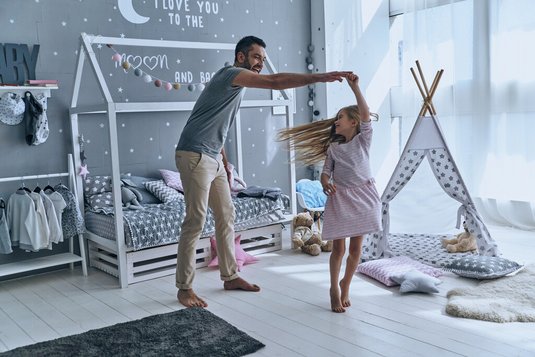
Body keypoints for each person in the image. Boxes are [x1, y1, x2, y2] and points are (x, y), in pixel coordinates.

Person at [174, 35, 352, 308]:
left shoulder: (236, 83)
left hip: (212, 155)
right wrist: (320, 77)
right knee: (196, 220)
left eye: (263, 58)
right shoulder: (231, 74)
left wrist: (223, 158)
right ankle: (184, 288)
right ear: (241, 56)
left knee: (226, 215)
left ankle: (230, 276)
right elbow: (274, 81)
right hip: (194, 154)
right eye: (256, 57)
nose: (261, 63)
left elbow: (215, 121)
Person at [278, 73, 381, 312]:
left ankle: (347, 283)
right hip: (341, 199)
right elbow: (326, 172)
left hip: (364, 199)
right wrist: (325, 183)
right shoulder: (334, 148)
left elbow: (365, 114)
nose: (336, 121)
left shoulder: (364, 140)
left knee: (356, 250)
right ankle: (334, 287)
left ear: (354, 122)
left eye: (340, 118)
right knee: (339, 249)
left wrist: (355, 87)